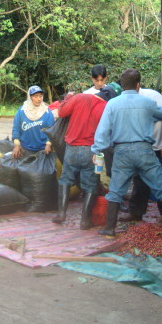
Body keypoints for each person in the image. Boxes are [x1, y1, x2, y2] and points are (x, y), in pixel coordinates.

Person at [92, 69, 162, 237]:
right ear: (138, 84)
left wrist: (97, 150)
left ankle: (109, 229)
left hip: (122, 152)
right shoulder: (147, 102)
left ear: (122, 85)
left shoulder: (112, 104)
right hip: (144, 150)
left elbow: (103, 131)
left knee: (116, 190)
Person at [52, 85, 117, 229]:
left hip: (71, 149)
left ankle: (61, 213)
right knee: (91, 185)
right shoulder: (107, 108)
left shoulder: (79, 97)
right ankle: (85, 220)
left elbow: (61, 112)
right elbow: (109, 132)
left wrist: (68, 97)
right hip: (92, 151)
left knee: (65, 180)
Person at [122, 86, 162, 223]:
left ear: (136, 86)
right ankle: (136, 212)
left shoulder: (152, 96)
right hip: (146, 145)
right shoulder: (124, 101)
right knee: (140, 178)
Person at [11, 86, 54, 159]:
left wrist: (48, 144)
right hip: (25, 149)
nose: (39, 99)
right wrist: (16, 145)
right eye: (35, 96)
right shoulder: (22, 111)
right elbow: (16, 129)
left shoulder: (47, 112)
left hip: (43, 150)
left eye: (40, 96)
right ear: (30, 97)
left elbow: (52, 130)